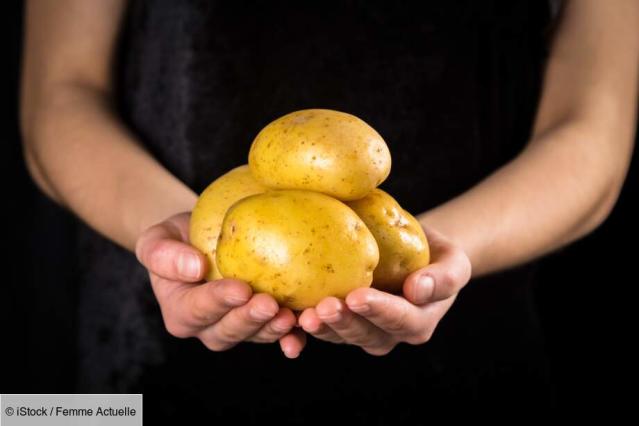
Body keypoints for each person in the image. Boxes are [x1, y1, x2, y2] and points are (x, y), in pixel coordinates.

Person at [20, 0, 638, 421]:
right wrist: (176, 247)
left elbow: (592, 132)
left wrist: (447, 252)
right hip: (138, 361)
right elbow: (61, 93)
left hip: (467, 347)